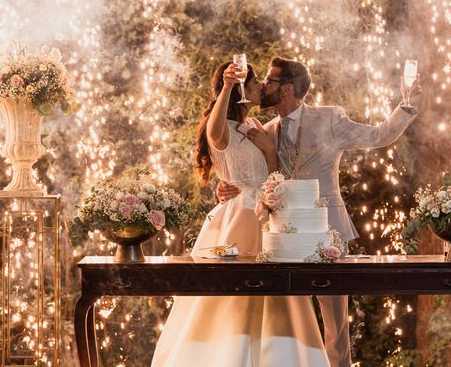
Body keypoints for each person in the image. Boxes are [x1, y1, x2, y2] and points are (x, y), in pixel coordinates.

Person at [217, 56, 423, 367]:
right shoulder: (266, 130)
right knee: (285, 320)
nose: (263, 87)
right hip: (283, 235)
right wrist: (223, 187)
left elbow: (378, 136)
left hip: (329, 230)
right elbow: (243, 169)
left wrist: (406, 107)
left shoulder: (329, 118)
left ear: (287, 89)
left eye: (270, 82)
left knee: (335, 322)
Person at [152, 61, 330, 367]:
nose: (261, 86)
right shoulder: (223, 130)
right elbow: (215, 132)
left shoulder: (259, 128)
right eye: (254, 82)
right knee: (235, 299)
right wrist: (227, 85)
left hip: (267, 220)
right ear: (240, 92)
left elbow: (275, 178)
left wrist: (271, 154)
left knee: (278, 300)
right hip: (236, 222)